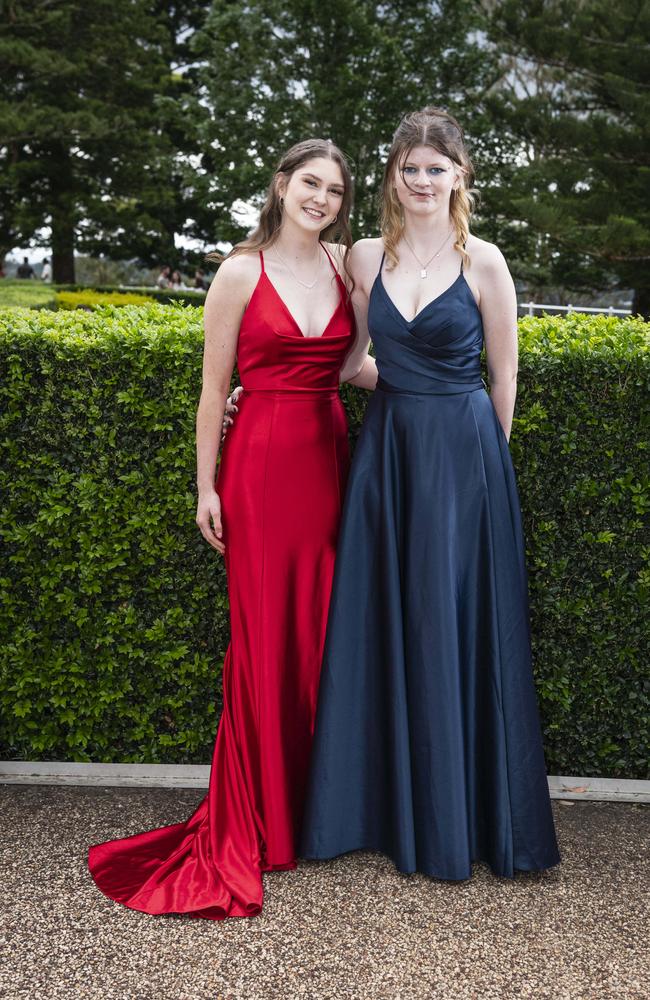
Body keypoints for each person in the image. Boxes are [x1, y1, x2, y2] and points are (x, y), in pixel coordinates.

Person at [88, 138, 375, 921]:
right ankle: (264, 822)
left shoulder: (348, 267)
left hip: (329, 463)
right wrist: (204, 486)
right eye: (311, 183)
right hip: (258, 468)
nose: (323, 199)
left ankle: (321, 812)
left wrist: (441, 389)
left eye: (337, 190)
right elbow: (214, 390)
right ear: (281, 185)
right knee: (262, 639)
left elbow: (355, 366)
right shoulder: (238, 271)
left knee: (324, 634)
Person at [301, 107, 561, 880]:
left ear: (460, 177)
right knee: (389, 614)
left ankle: (463, 818)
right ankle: (386, 810)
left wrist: (486, 466)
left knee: (453, 618)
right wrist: (264, 387)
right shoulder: (363, 257)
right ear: (393, 176)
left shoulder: (486, 261)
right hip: (389, 450)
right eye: (409, 167)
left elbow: (505, 374)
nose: (421, 180)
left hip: (463, 455)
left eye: (435, 168)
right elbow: (348, 359)